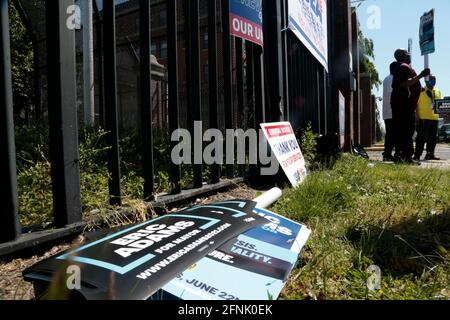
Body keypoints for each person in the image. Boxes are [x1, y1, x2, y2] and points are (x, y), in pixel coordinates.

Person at [391, 49, 430, 165]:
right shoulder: (403, 67)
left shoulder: (401, 67)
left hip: (402, 103)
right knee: (407, 130)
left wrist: (419, 88)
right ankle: (406, 157)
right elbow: (404, 83)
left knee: (402, 130)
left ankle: (400, 155)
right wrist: (421, 75)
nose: (409, 55)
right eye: (406, 53)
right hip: (403, 104)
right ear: (402, 56)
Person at [414, 75, 441, 161]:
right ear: (426, 81)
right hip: (423, 118)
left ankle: (430, 154)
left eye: (434, 80)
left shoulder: (438, 91)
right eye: (431, 80)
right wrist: (417, 116)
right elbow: (416, 104)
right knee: (421, 138)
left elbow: (439, 104)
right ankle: (417, 155)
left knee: (432, 138)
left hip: (434, 118)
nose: (433, 81)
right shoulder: (421, 91)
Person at [382, 62, 398, 161]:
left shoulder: (390, 78)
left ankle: (389, 154)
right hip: (390, 112)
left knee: (392, 134)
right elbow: (391, 92)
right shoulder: (390, 79)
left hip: (391, 112)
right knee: (391, 135)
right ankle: (387, 154)